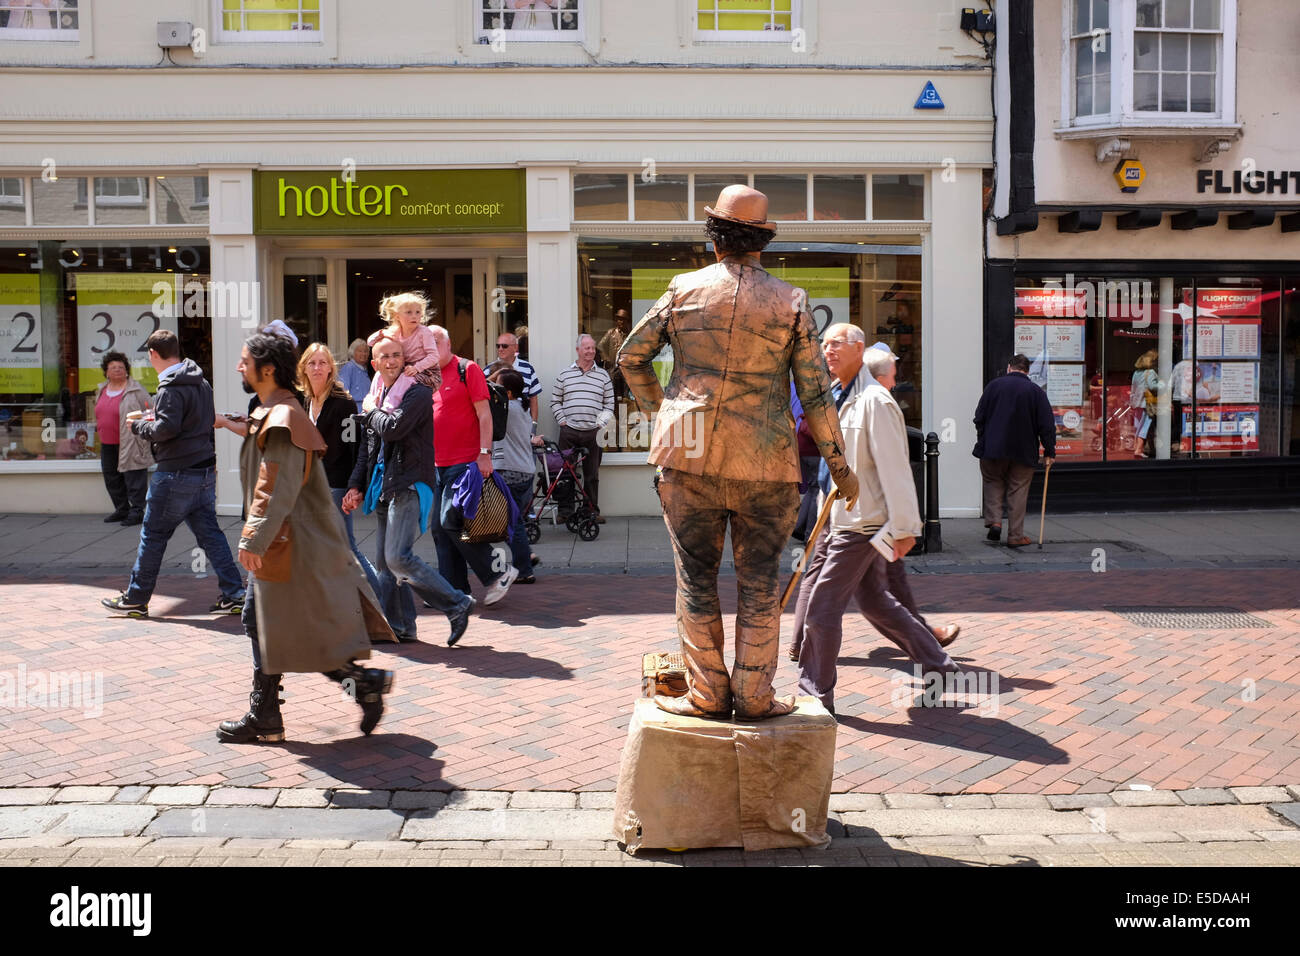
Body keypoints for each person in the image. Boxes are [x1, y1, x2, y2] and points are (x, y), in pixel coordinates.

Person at [619, 184, 858, 721]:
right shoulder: (790, 301)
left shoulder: (682, 290)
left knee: (695, 579)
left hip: (688, 454)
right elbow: (816, 391)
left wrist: (664, 413)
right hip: (766, 459)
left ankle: (706, 694)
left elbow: (630, 357)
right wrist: (840, 466)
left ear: (714, 239)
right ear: (761, 243)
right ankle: (752, 696)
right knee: (758, 582)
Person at [217, 332, 394, 744]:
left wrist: (253, 540)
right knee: (276, 625)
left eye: (245, 361)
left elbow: (274, 485)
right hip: (289, 543)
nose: (239, 367)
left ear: (267, 370)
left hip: (292, 545)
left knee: (266, 624)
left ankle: (271, 715)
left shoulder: (282, 417)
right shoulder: (276, 412)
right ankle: (356, 687)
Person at [794, 329, 959, 715]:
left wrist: (904, 528)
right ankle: (940, 666)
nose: (827, 350)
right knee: (876, 603)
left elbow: (895, 470)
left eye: (836, 343)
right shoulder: (837, 395)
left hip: (863, 524)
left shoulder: (875, 402)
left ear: (859, 350)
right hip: (841, 518)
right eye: (824, 344)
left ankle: (815, 693)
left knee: (821, 610)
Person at [101, 330, 246, 619]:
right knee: (211, 536)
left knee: (153, 536)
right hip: (203, 472)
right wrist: (152, 419)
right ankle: (235, 594)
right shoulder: (201, 382)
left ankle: (136, 598)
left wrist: (138, 427)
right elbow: (192, 421)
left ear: (154, 354)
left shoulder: (169, 388)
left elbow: (166, 429)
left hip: (174, 475)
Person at [343, 335, 476, 645]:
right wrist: (355, 485)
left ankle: (457, 603)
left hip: (410, 482)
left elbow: (392, 429)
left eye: (396, 355)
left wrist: (369, 412)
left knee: (398, 557)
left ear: (404, 359)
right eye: (384, 357)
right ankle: (400, 627)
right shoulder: (378, 396)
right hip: (383, 486)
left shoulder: (416, 394)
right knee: (386, 568)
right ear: (374, 364)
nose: (391, 361)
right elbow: (369, 446)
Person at [297, 342, 395, 633]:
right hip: (311, 485)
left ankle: (382, 605)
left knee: (346, 547)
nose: (317, 368)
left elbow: (353, 449)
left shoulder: (341, 402)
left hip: (336, 485)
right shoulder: (304, 400)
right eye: (311, 363)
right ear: (304, 367)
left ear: (331, 368)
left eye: (322, 363)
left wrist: (355, 485)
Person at [429, 324, 520, 604]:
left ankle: (498, 573)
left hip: (465, 460)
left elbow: (484, 415)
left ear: (448, 344)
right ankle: (454, 592)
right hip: (437, 463)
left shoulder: (466, 370)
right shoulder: (427, 375)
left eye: (436, 344)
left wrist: (484, 453)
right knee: (439, 529)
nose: (431, 350)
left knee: (450, 520)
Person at [973, 353, 1056, 547]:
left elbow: (979, 417)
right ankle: (1015, 536)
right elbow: (1046, 425)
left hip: (993, 447)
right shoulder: (1036, 392)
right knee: (1018, 490)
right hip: (1023, 449)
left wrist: (983, 439)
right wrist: (1049, 451)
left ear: (1009, 368)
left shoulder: (993, 387)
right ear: (1027, 371)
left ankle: (994, 521)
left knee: (993, 481)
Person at [551, 333, 614, 522]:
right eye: (587, 348)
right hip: (569, 431)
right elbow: (555, 400)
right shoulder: (564, 374)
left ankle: (591, 511)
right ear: (578, 350)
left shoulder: (603, 375)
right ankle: (565, 512)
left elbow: (609, 403)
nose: (591, 351)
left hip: (593, 433)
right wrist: (562, 420)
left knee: (592, 475)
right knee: (565, 472)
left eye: (593, 348)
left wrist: (601, 423)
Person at [490, 368, 543, 584]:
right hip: (525, 471)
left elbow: (484, 390)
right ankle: (526, 556)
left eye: (499, 386)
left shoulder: (506, 408)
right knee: (515, 520)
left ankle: (524, 569)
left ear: (508, 392)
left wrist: (491, 377)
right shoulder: (522, 408)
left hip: (509, 471)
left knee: (509, 522)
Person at [93, 351, 154, 525]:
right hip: (107, 443)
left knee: (134, 477)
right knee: (112, 478)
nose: (117, 370)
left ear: (127, 371)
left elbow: (150, 411)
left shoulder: (136, 390)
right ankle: (121, 509)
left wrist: (145, 430)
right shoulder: (102, 390)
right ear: (106, 372)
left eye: (121, 367)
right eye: (113, 367)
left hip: (131, 441)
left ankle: (136, 512)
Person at [363, 292, 441, 414]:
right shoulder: (395, 332)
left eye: (418, 312)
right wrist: (381, 333)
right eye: (409, 312)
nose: (414, 316)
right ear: (397, 316)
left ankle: (388, 408)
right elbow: (370, 342)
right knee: (380, 374)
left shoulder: (424, 332)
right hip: (407, 368)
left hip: (428, 372)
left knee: (405, 377)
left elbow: (434, 356)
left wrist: (417, 368)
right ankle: (371, 405)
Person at [486, 331, 541, 425]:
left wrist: (534, 425)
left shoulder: (528, 368)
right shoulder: (488, 369)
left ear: (515, 347)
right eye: (498, 346)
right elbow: (481, 393)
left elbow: (533, 398)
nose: (500, 349)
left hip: (522, 423)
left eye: (504, 346)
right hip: (497, 425)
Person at [338, 338, 372, 412]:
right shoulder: (349, 367)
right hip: (354, 410)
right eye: (360, 351)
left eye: (365, 351)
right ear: (353, 353)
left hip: (365, 410)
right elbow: (343, 391)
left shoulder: (364, 369)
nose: (363, 354)